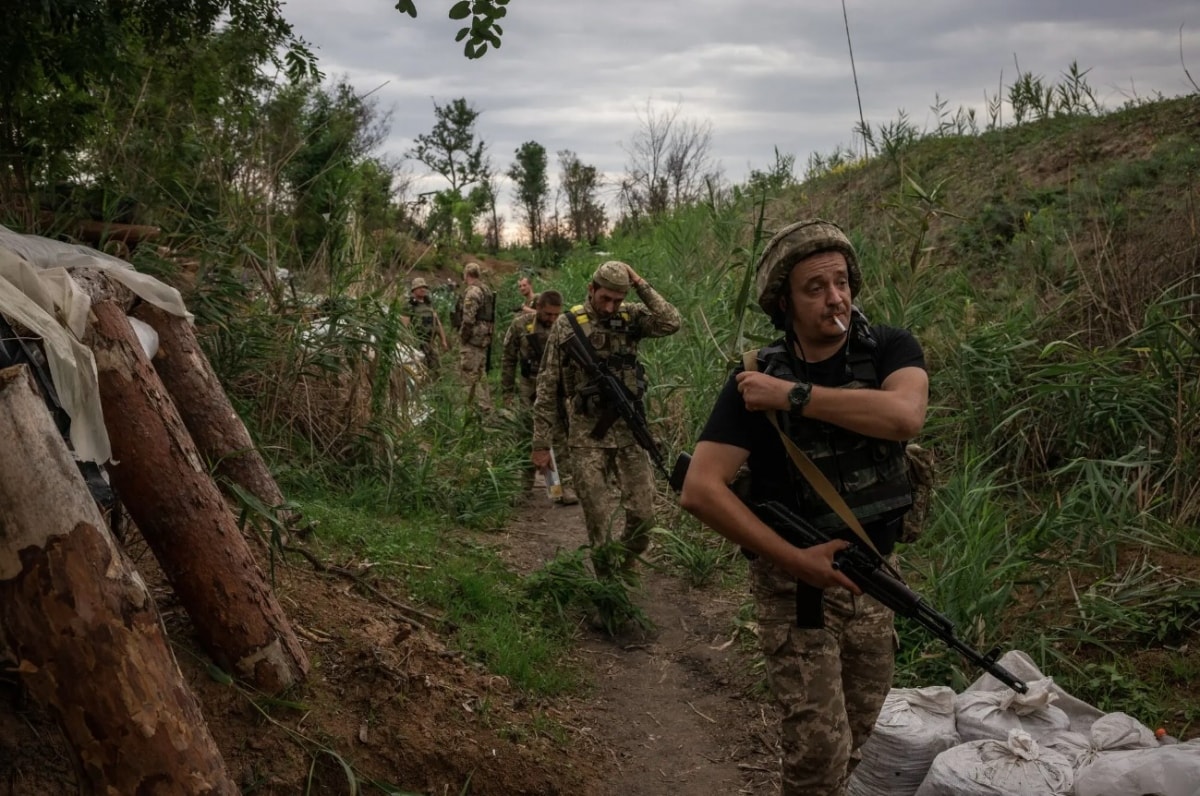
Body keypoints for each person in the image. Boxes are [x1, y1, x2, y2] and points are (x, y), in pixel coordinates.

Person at [678, 219, 928, 796]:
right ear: (784, 303)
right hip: (798, 591)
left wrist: (794, 397)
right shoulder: (755, 374)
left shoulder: (889, 348)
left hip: (874, 578)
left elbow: (904, 417)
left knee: (858, 740)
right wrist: (795, 559)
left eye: (841, 281)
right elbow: (701, 488)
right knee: (816, 757)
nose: (835, 297)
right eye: (815, 287)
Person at [531, 261, 681, 578]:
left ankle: (624, 566)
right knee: (597, 520)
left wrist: (639, 281)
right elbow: (547, 387)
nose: (611, 307)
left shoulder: (631, 316)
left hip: (629, 432)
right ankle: (607, 588)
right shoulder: (568, 325)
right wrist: (541, 444)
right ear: (591, 289)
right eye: (605, 299)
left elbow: (671, 322)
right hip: (587, 437)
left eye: (618, 298)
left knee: (643, 516)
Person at [500, 290, 578, 504]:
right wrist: (507, 391)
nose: (552, 319)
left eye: (556, 315)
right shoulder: (520, 326)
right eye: (547, 314)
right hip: (529, 387)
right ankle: (524, 487)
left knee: (561, 436)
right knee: (526, 436)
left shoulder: (564, 327)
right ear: (538, 308)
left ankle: (565, 487)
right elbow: (508, 359)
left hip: (556, 389)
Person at [456, 261, 495, 411]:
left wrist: (463, 337)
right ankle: (485, 405)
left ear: (467, 275)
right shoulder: (486, 290)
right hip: (484, 337)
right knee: (480, 373)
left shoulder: (472, 292)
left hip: (473, 338)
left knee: (468, 373)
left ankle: (474, 409)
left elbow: (468, 319)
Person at [403, 276, 448, 376]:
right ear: (414, 289)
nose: (423, 289)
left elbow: (437, 323)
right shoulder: (409, 306)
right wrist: (406, 344)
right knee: (418, 372)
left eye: (424, 287)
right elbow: (404, 326)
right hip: (417, 344)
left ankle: (433, 389)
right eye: (420, 287)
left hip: (429, 343)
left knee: (436, 370)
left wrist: (443, 340)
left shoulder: (429, 305)